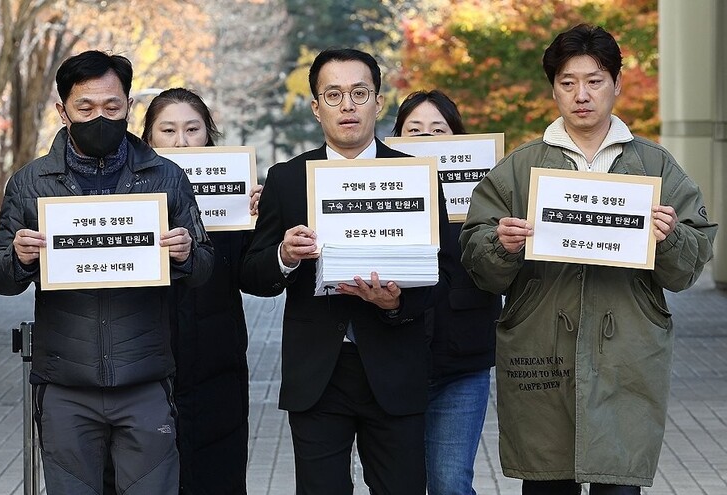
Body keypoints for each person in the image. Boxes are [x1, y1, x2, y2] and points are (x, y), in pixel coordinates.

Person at [460, 24, 717, 495]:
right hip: (541, 349)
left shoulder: (655, 166)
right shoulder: (520, 167)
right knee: (546, 481)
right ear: (553, 89)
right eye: (568, 82)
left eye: (595, 81)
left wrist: (670, 237)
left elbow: (688, 267)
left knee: (618, 481)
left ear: (617, 84)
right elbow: (478, 262)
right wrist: (501, 244)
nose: (581, 95)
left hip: (627, 349)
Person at [0, 51, 213, 495]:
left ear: (129, 106)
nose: (100, 118)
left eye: (112, 107)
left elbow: (204, 267)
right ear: (62, 111)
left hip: (144, 379)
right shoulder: (31, 183)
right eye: (85, 108)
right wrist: (19, 257)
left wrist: (186, 253)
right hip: (65, 384)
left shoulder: (165, 177)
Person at [242, 48, 446, 495]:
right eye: (333, 95)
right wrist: (284, 255)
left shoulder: (416, 176)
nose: (347, 105)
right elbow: (252, 274)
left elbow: (443, 275)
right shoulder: (287, 178)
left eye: (359, 93)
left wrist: (396, 302)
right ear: (316, 107)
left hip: (394, 368)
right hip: (318, 372)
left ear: (379, 102)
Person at [141, 87, 260, 494]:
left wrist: (261, 221)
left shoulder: (234, 194)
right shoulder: (128, 194)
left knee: (218, 475)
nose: (181, 142)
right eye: (168, 130)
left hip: (217, 360)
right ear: (148, 138)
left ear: (208, 134)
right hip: (149, 363)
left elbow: (254, 277)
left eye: (192, 129)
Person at [392, 90, 502, 495]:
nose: (426, 140)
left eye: (438, 130)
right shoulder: (377, 190)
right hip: (393, 363)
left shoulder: (488, 195)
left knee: (450, 482)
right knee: (397, 483)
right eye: (414, 131)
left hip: (462, 362)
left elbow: (498, 271)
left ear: (458, 138)